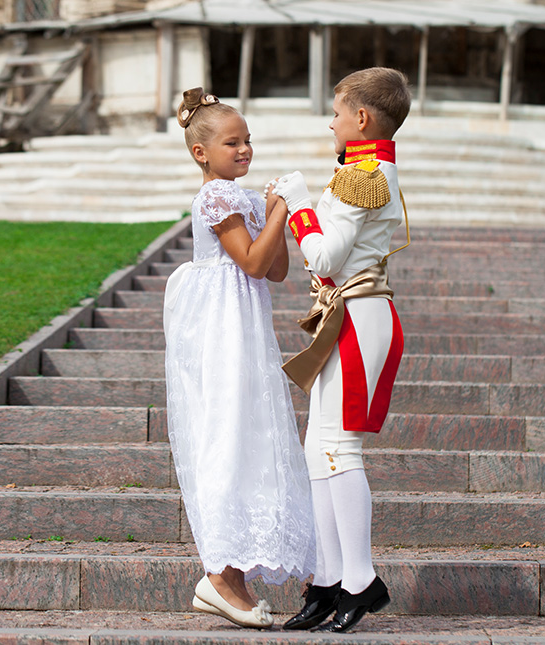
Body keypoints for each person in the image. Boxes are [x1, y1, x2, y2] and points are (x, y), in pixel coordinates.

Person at [162, 87, 316, 629]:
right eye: (232, 142)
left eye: (248, 140)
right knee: (224, 428)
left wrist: (274, 216)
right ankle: (219, 574)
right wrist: (275, 210)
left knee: (247, 427)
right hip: (219, 323)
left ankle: (233, 572)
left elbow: (276, 271)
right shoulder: (214, 198)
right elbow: (250, 262)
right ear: (203, 153)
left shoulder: (243, 197)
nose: (245, 149)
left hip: (245, 321)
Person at [271, 67, 411, 633]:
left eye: (335, 113)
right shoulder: (359, 172)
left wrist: (299, 202)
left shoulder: (366, 174)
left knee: (339, 450)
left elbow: (325, 259)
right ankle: (331, 579)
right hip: (346, 316)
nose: (329, 122)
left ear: (361, 119)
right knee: (318, 451)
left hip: (361, 317)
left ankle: (360, 579)